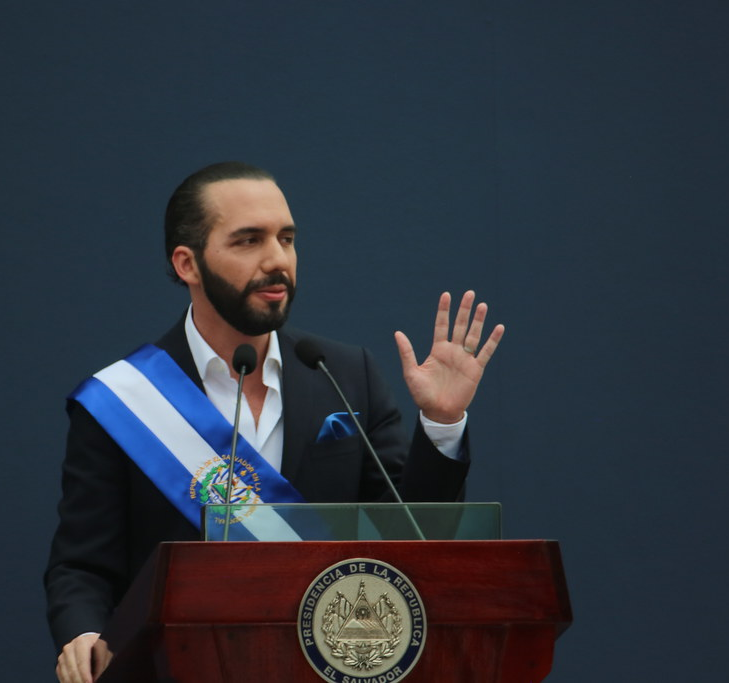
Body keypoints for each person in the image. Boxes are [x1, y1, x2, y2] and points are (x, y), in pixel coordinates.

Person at [45, 161, 505, 683]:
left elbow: (413, 535)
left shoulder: (346, 375)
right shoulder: (121, 400)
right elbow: (81, 566)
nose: (277, 260)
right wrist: (82, 632)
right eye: (248, 241)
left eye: (286, 238)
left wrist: (441, 423)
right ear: (187, 264)